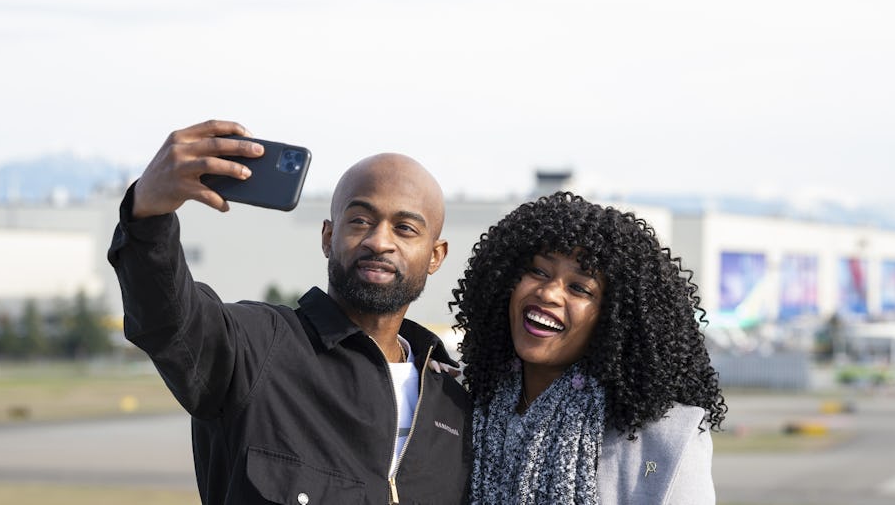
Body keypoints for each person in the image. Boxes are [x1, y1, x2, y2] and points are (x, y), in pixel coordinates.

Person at [107, 120, 471, 504]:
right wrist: (147, 212)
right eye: (360, 220)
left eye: (405, 228)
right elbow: (169, 320)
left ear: (435, 256)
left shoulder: (456, 404)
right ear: (329, 237)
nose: (380, 241)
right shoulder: (258, 350)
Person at [450, 192, 726, 505]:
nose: (549, 293)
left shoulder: (667, 440)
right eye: (538, 271)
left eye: (579, 288)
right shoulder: (456, 409)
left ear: (615, 319)